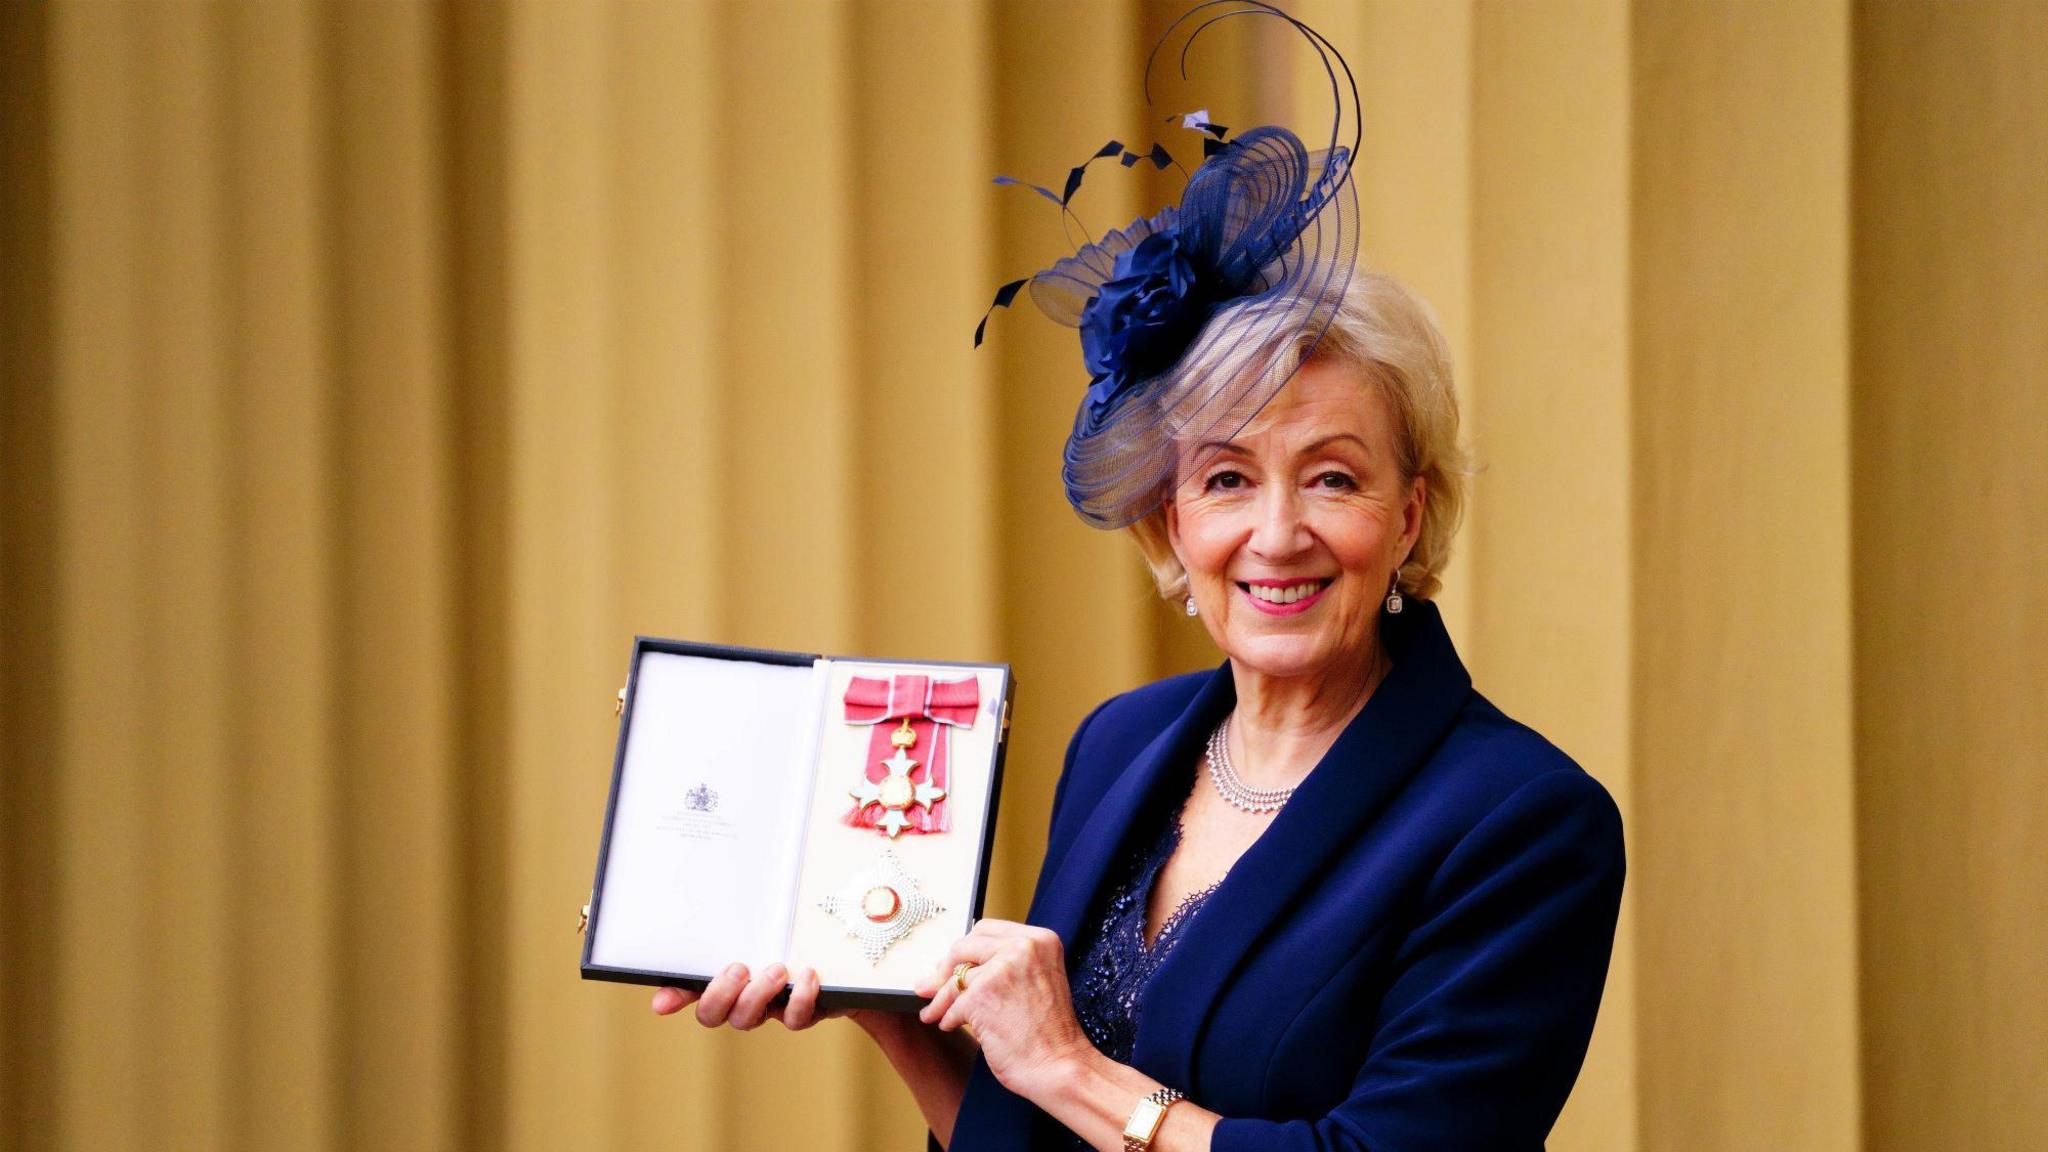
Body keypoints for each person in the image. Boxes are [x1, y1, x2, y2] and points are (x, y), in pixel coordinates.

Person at [655, 5, 1624, 1149]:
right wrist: (886, 1006)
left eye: (1330, 478)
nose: (1275, 534)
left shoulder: (1520, 823)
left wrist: (1071, 1068)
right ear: (1170, 518)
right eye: (1224, 480)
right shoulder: (1120, 742)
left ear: (1408, 514)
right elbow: (1024, 1140)